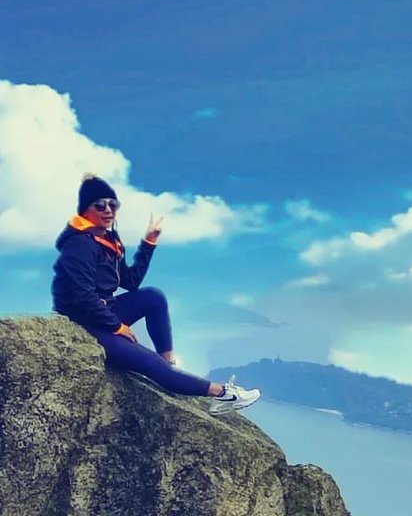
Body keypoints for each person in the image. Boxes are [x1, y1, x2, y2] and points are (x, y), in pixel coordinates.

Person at [52, 174, 261, 415]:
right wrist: (116, 326)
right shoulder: (80, 244)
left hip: (102, 310)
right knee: (152, 366)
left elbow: (129, 282)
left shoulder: (106, 239)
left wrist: (148, 243)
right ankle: (223, 394)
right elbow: (82, 296)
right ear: (85, 209)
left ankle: (169, 362)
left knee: (154, 297)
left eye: (113, 204)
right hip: (84, 322)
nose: (108, 210)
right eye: (100, 205)